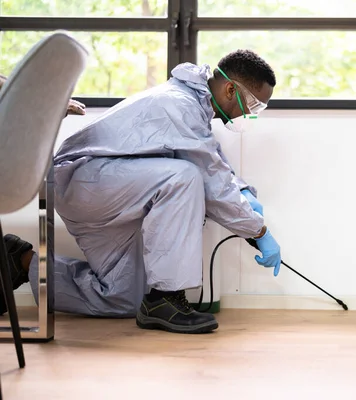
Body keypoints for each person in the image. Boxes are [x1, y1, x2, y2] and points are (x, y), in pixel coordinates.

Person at [0, 49, 282, 335]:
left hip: (107, 191)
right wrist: (258, 232)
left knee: (123, 297)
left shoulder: (193, 109)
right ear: (231, 88)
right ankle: (166, 299)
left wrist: (243, 192)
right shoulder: (180, 105)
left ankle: (20, 260)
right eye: (252, 104)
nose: (249, 113)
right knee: (183, 177)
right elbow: (211, 179)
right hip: (84, 180)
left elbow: (212, 161)